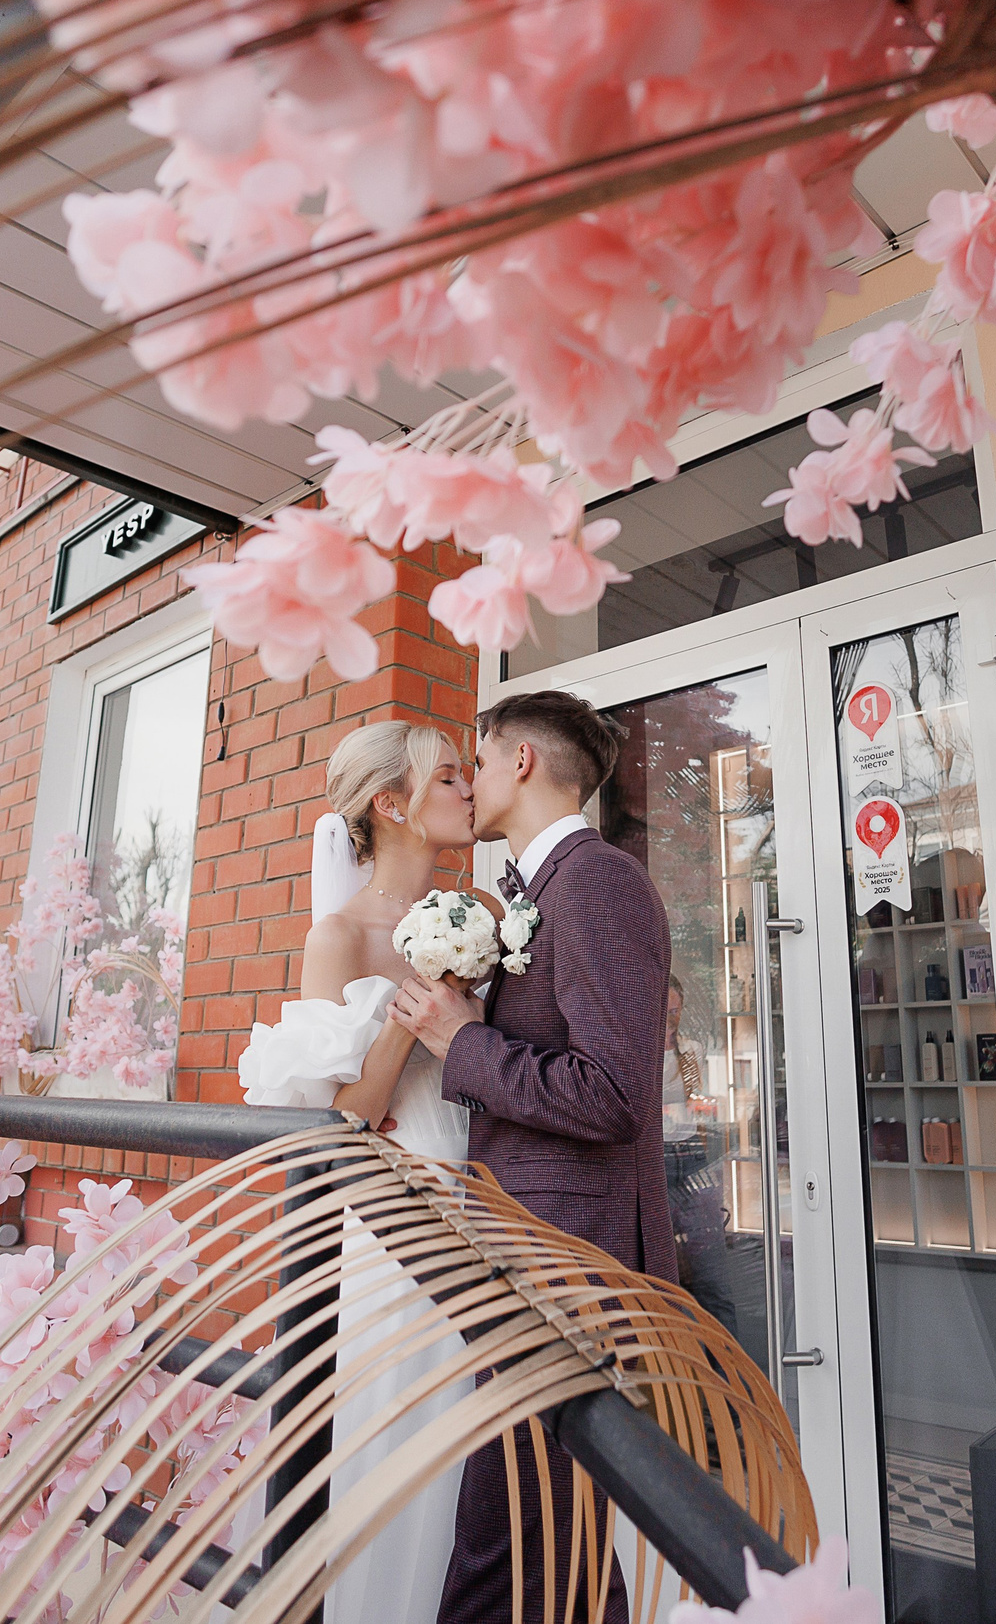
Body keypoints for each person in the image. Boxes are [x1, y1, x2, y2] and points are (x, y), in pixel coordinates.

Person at [389, 690, 673, 1624]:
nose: (466, 777)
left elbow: (614, 1093)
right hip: (529, 1254)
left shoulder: (594, 883)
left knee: (505, 1543)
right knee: (555, 1543)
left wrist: (461, 1043)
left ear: (520, 762)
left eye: (476, 754)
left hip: (569, 1265)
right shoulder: (531, 893)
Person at [237, 720, 482, 1624]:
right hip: (399, 1201)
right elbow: (340, 1119)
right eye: (449, 776)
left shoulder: (487, 917)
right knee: (416, 1414)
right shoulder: (337, 937)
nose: (468, 788)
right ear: (391, 804)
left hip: (497, 1190)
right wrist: (405, 1019)